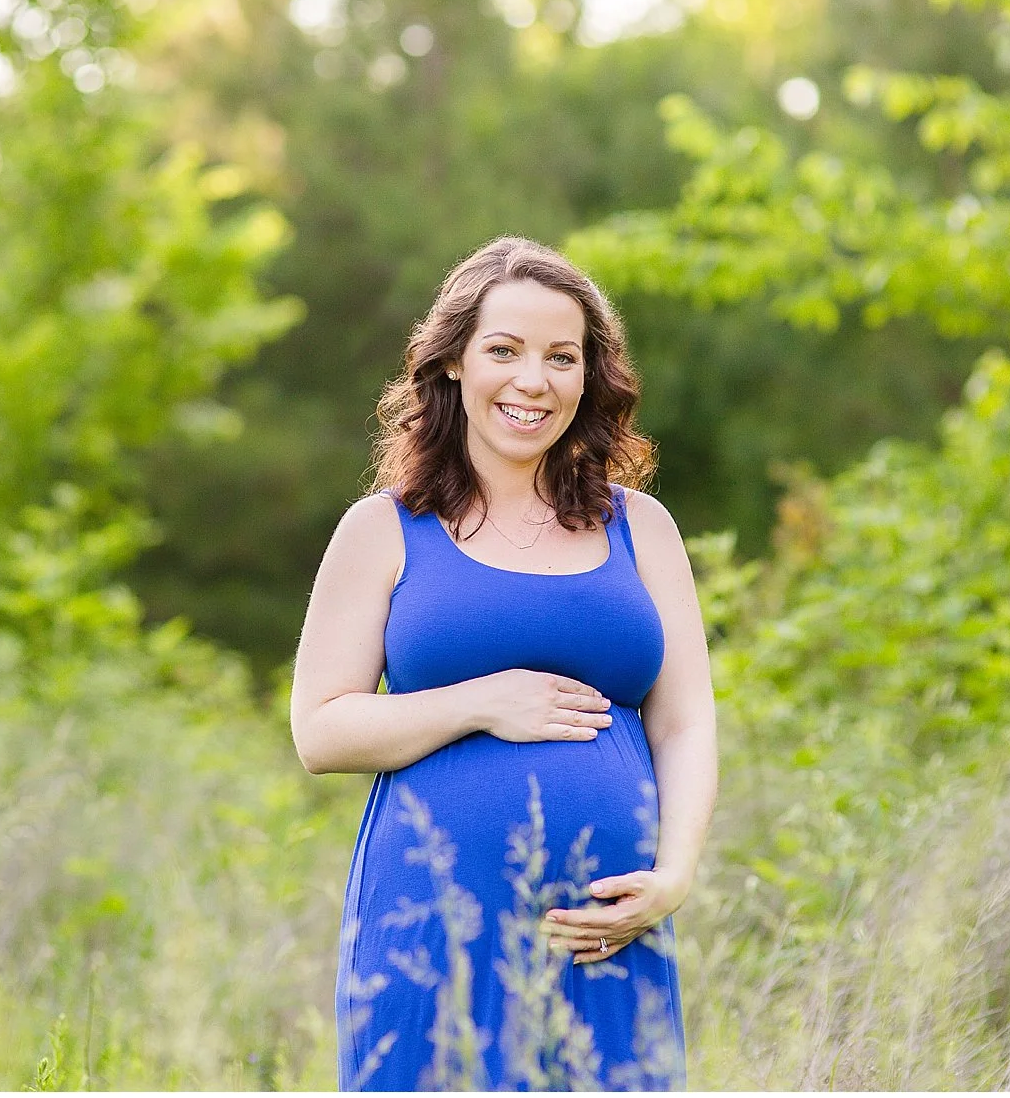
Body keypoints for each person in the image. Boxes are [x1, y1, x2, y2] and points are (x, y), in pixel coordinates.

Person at [290, 235, 718, 1091]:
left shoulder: (643, 528)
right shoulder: (383, 530)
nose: (534, 380)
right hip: (432, 926)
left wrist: (672, 877)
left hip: (603, 932)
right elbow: (320, 730)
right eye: (504, 350)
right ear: (453, 361)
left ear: (590, 376)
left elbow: (684, 721)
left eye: (562, 357)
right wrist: (480, 701)